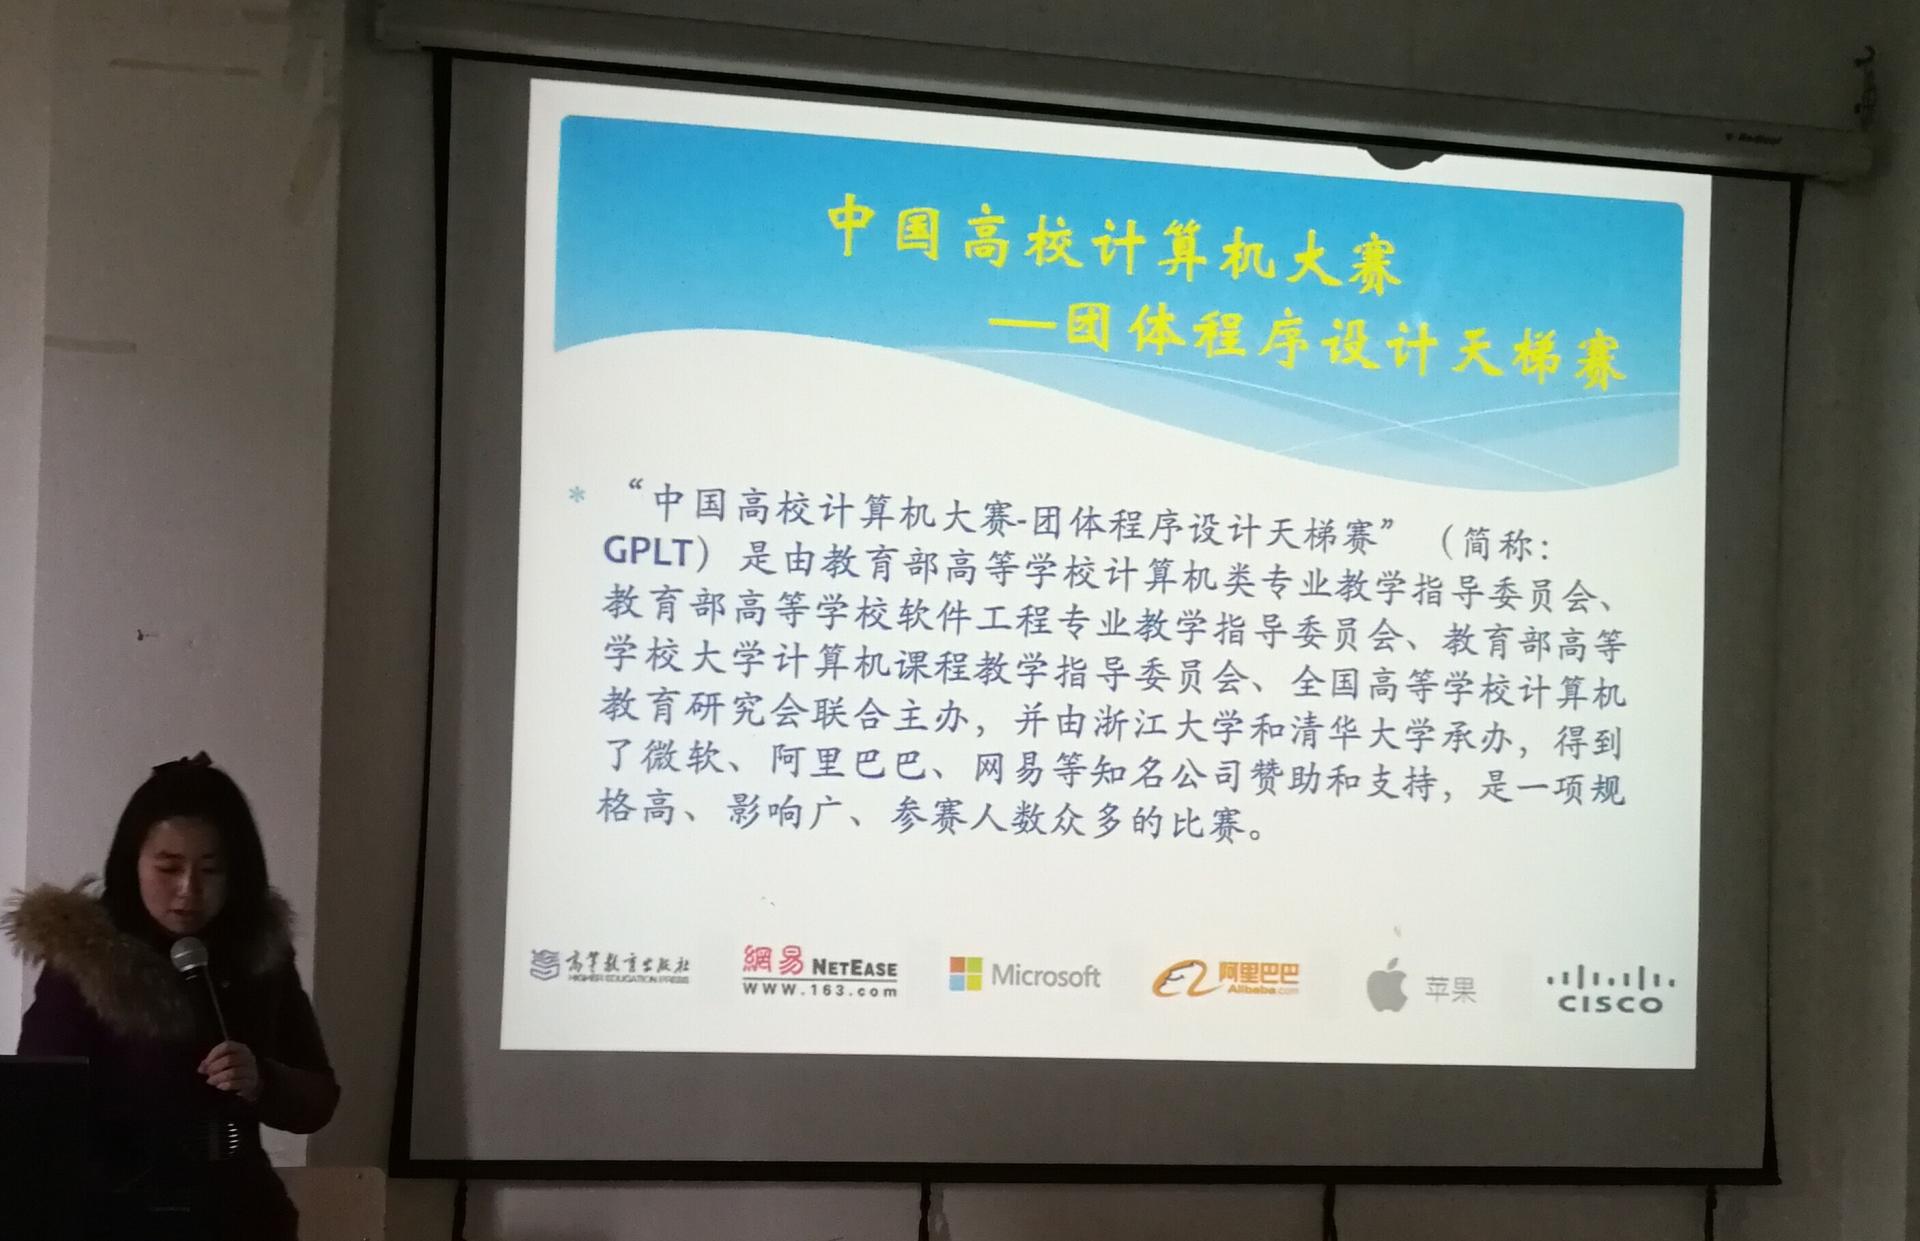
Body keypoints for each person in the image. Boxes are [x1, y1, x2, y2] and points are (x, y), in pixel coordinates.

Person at [4, 753, 339, 1240]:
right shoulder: (86, 961)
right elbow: (38, 1116)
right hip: (116, 1218)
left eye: (211, 870)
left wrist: (263, 1080)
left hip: (242, 1216)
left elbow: (320, 1097)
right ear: (132, 864)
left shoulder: (259, 954)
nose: (188, 890)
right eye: (168, 867)